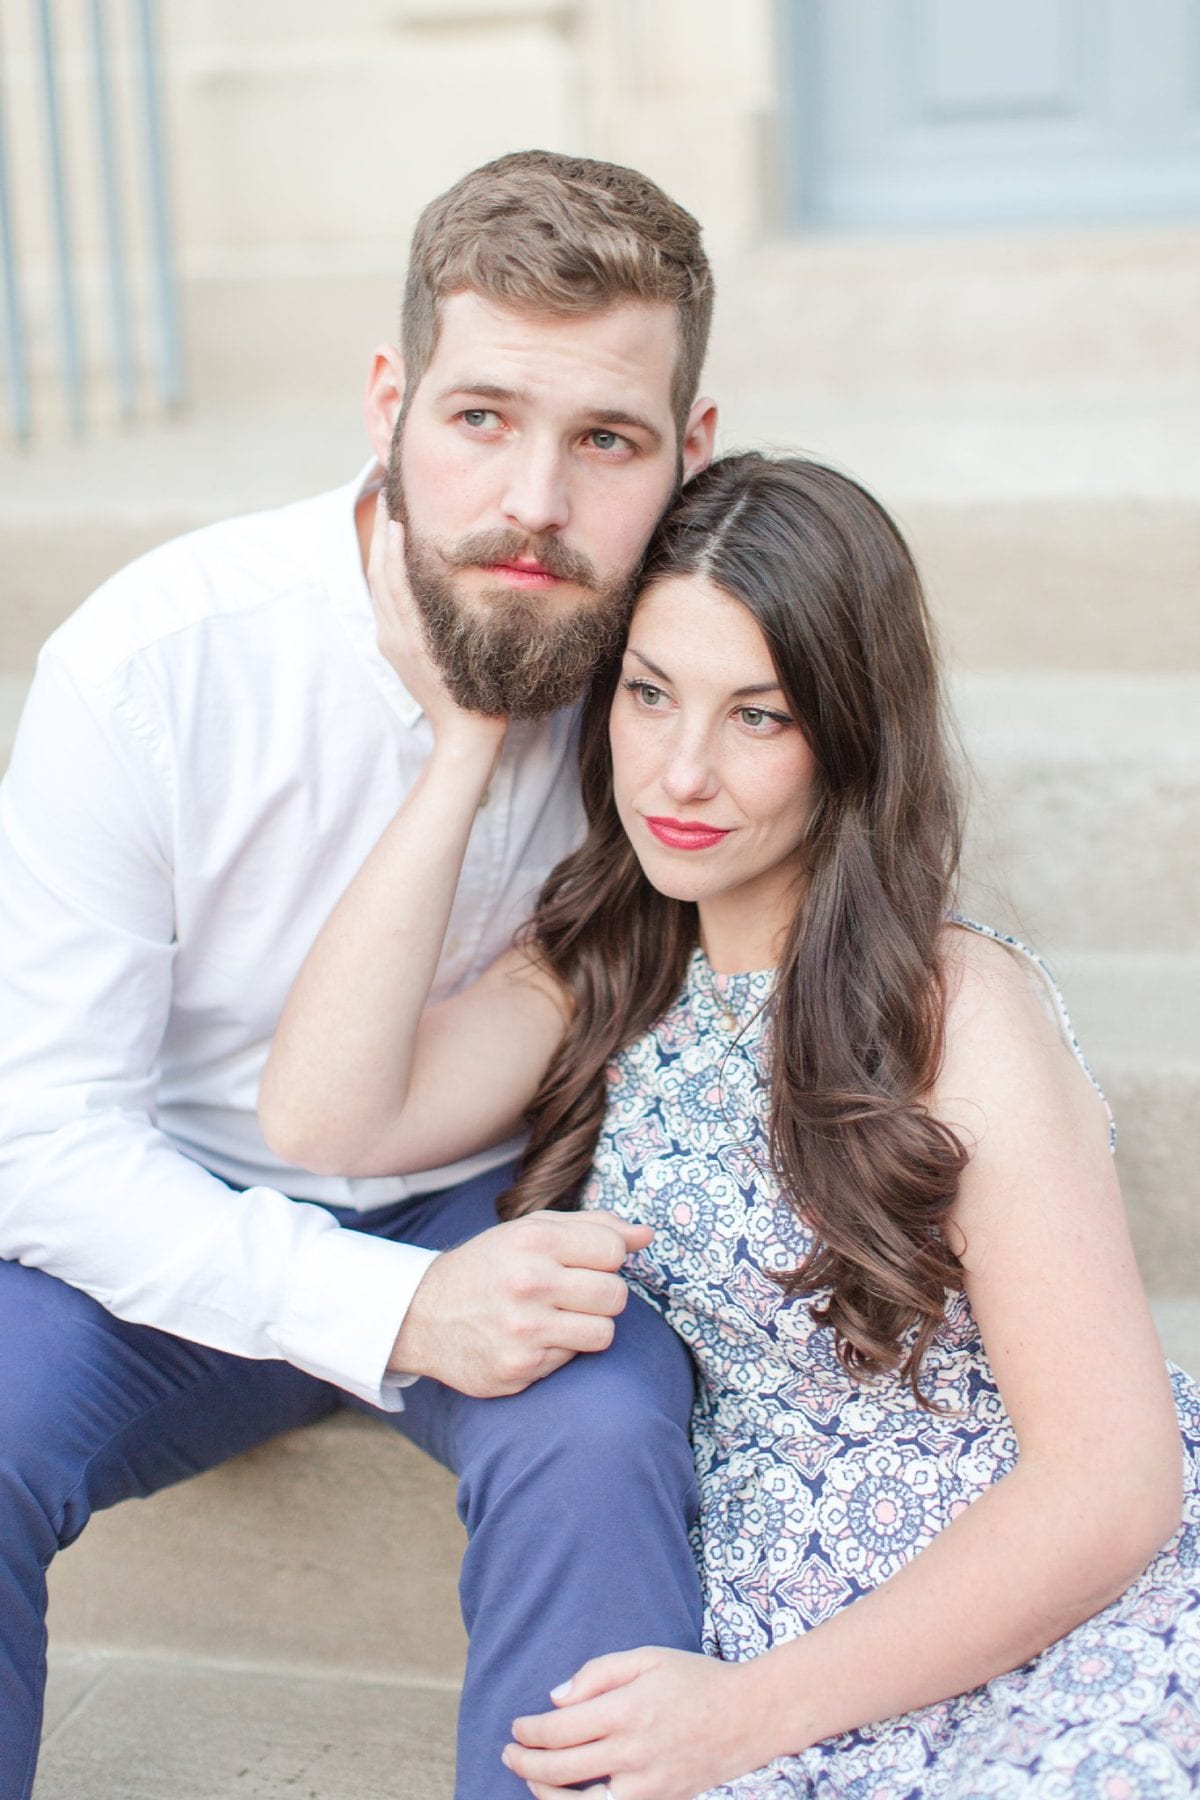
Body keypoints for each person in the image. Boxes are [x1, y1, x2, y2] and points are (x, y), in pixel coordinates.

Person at [262, 453, 1200, 1799]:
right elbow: (323, 1116)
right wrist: (470, 738)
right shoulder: (601, 966)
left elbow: (1109, 1487)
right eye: (650, 695)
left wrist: (748, 1715)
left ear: (850, 732)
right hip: (752, 1612)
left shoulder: (952, 1012)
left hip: (1012, 1613)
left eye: (757, 717)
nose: (682, 774)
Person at [0, 149, 720, 1800]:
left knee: (611, 1432)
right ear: (389, 402)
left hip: (494, 1196)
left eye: (602, 438)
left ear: (684, 452)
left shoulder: (680, 663)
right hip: (151, 1216)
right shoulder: (154, 663)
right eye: (482, 418)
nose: (534, 499)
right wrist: (388, 1308)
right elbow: (41, 1141)